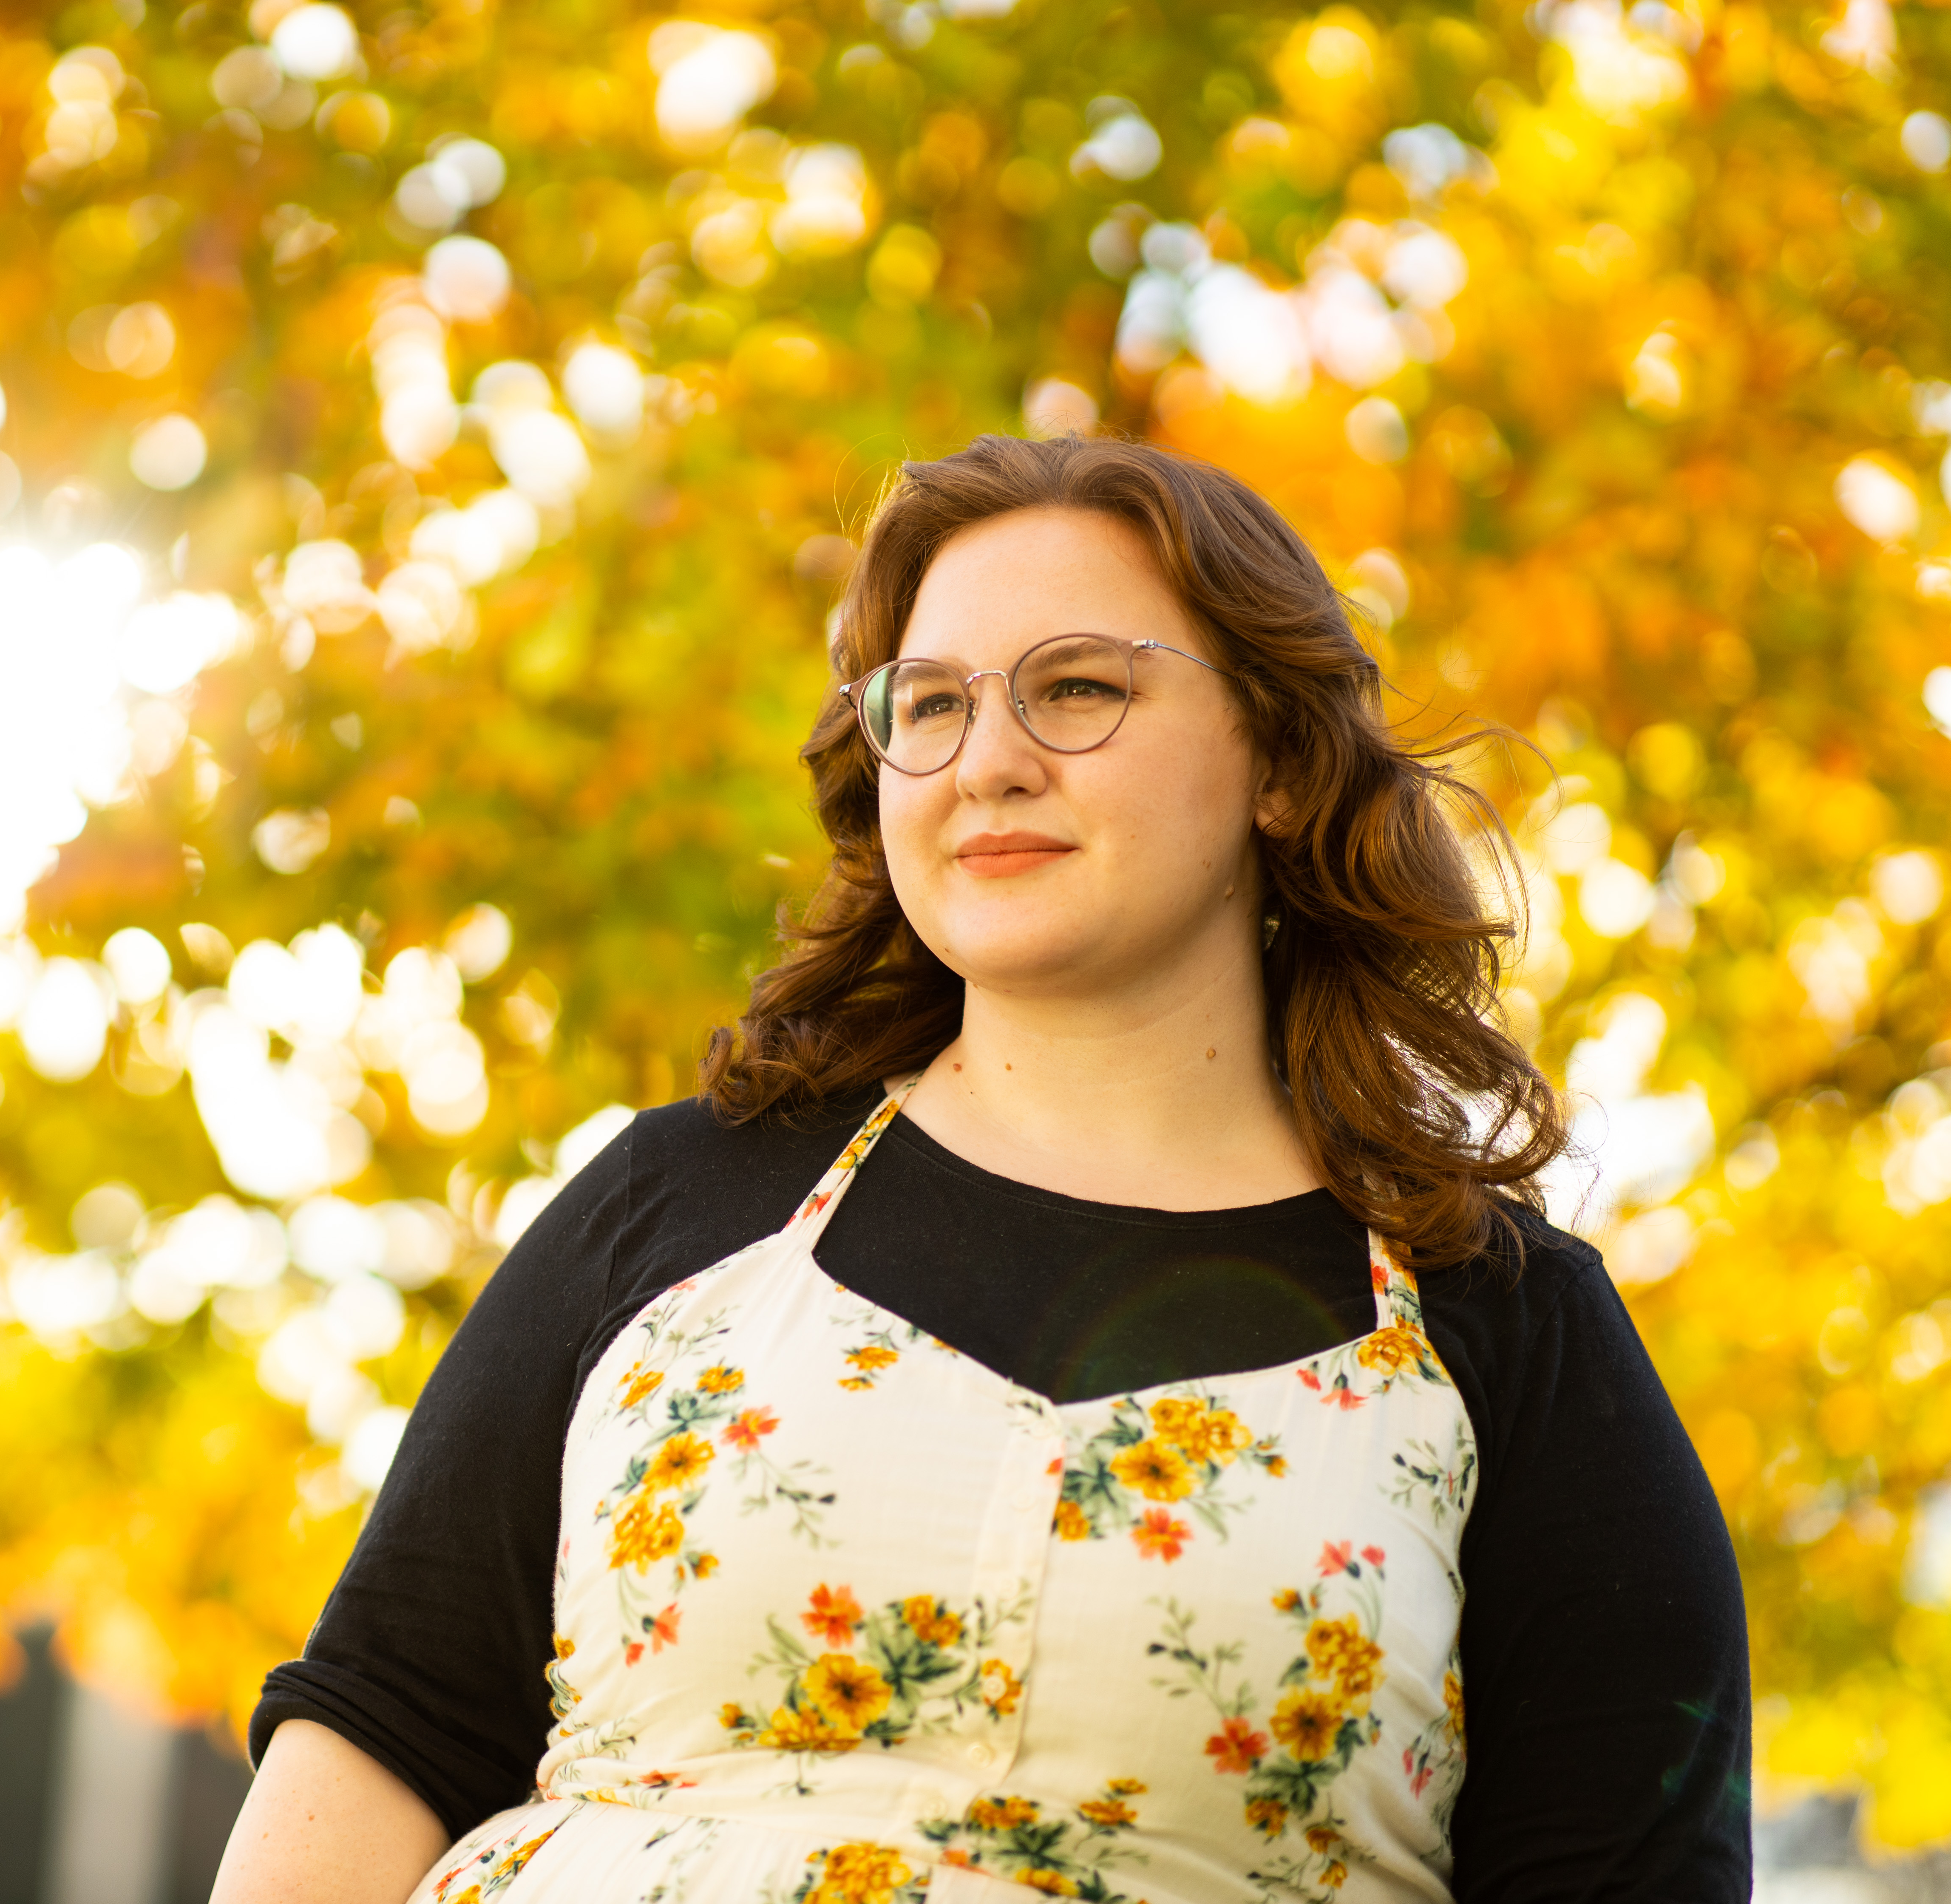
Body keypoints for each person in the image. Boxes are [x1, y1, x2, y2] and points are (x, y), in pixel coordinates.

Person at [212, 433, 1751, 1903]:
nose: (988, 762)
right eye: (931, 705)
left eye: (1077, 690)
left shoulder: (1511, 1336)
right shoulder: (680, 1204)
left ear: (1279, 762)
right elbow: (380, 1734)